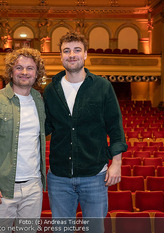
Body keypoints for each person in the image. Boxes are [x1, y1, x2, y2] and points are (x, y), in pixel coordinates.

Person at [43, 32, 128, 233]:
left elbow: (115, 128)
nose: (72, 55)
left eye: (77, 50)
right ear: (60, 56)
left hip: (95, 176)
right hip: (59, 177)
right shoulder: (50, 90)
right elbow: (44, 128)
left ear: (85, 54)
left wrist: (116, 164)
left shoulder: (102, 87)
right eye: (66, 50)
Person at [0, 48, 46, 233]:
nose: (24, 72)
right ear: (11, 71)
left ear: (37, 73)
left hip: (33, 187)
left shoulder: (39, 100)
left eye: (30, 68)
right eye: (19, 67)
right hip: (2, 188)